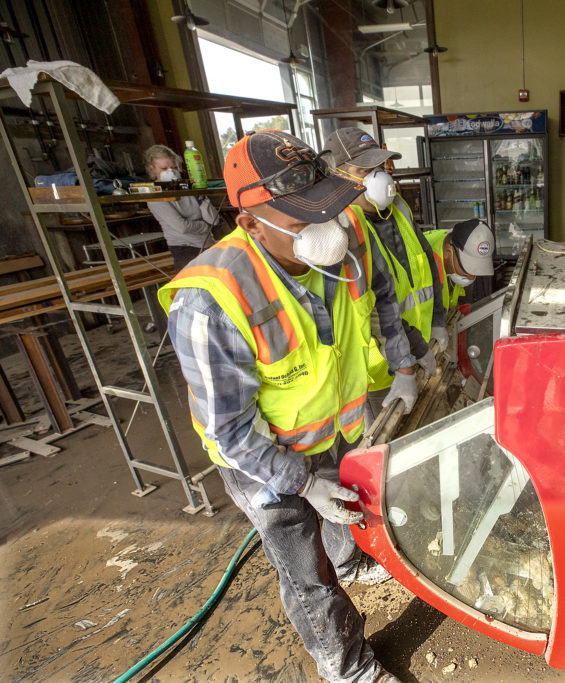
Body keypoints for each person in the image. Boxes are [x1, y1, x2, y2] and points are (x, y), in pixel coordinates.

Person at [158, 130, 403, 683]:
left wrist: (403, 367)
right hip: (261, 457)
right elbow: (232, 432)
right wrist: (300, 481)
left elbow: (378, 301)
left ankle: (351, 558)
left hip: (332, 427)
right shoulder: (211, 301)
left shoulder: (341, 244)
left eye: (329, 211)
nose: (328, 234)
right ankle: (346, 665)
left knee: (341, 504)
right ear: (249, 224)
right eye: (302, 224)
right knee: (305, 570)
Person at [323, 127, 448, 421]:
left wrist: (438, 319)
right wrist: (404, 362)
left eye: (380, 167)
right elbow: (375, 304)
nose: (379, 177)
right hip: (378, 371)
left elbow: (427, 261)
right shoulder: (338, 233)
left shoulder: (398, 207)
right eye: (364, 169)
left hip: (418, 348)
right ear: (336, 174)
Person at [143, 144, 221, 271]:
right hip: (185, 249)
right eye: (164, 168)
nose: (171, 172)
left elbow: (214, 220)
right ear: (152, 168)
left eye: (173, 167)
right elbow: (182, 227)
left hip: (209, 244)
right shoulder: (155, 197)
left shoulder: (188, 188)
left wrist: (200, 195)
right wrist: (205, 226)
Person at [423, 219, 495, 310]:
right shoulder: (422, 260)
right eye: (467, 268)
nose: (472, 277)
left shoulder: (451, 247)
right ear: (448, 252)